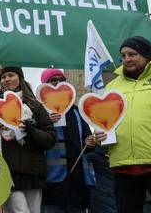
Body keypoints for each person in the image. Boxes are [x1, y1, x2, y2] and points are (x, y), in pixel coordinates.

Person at [0, 66, 56, 213]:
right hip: (6, 168)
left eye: (11, 75)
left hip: (32, 169)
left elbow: (50, 138)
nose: (6, 79)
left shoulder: (34, 104)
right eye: (3, 76)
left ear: (20, 77)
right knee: (19, 210)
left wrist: (32, 131)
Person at [39, 68, 104, 213]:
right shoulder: (39, 112)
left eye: (61, 80)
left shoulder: (76, 111)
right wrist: (44, 122)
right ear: (44, 86)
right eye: (52, 80)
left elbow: (87, 141)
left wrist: (90, 142)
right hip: (51, 180)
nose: (57, 83)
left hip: (77, 180)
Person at [105, 36, 151, 212]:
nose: (126, 59)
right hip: (123, 164)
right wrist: (99, 135)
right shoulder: (111, 86)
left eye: (132, 54)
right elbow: (105, 122)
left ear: (147, 55)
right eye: (123, 55)